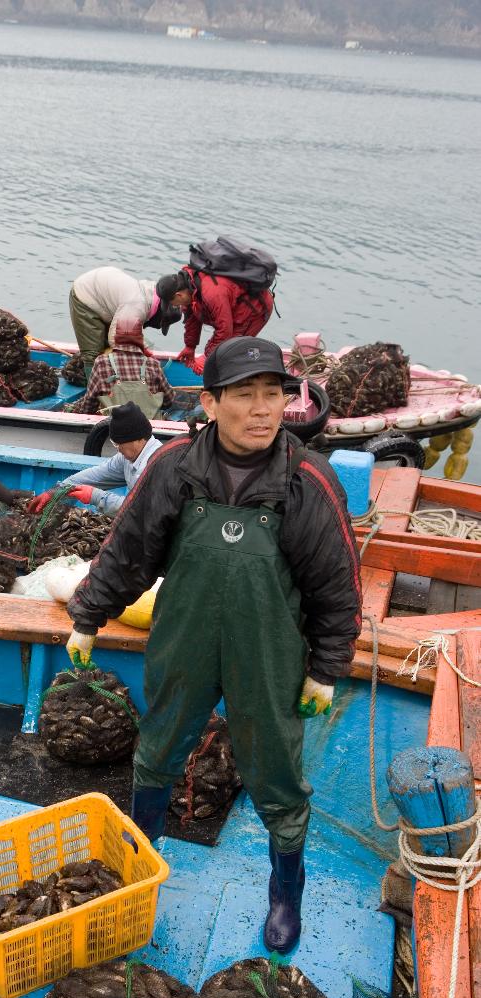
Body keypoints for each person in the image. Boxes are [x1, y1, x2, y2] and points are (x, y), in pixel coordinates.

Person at [65, 336, 362, 954]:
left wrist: (326, 669)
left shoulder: (306, 479)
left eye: (275, 395)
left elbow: (337, 588)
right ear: (211, 401)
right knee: (159, 750)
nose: (263, 410)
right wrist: (89, 616)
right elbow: (129, 553)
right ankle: (138, 873)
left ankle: (286, 893)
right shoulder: (175, 466)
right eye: (246, 395)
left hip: (271, 654)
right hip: (186, 640)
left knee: (277, 773)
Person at [29, 402, 163, 517]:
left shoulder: (158, 464)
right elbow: (92, 477)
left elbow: (140, 511)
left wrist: (95, 496)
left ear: (137, 439)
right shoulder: (127, 458)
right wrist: (55, 492)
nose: (118, 449)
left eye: (118, 444)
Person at [69, 267, 184, 381]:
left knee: (126, 344)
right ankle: (95, 392)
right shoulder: (137, 305)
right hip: (86, 295)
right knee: (93, 354)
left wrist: (142, 351)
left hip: (107, 298)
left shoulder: (156, 293)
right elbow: (116, 338)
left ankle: (108, 378)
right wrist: (141, 357)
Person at [169, 267, 274, 374]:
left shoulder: (212, 293)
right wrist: (190, 346)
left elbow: (224, 331)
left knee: (232, 349)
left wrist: (207, 357)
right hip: (231, 306)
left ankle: (264, 363)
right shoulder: (190, 286)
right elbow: (192, 317)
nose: (177, 306)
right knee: (222, 353)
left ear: (179, 295)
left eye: (174, 303)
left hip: (253, 309)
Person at [72, 326, 175, 418]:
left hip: (114, 428)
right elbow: (169, 400)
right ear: (140, 340)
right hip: (147, 429)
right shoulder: (153, 364)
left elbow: (89, 404)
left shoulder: (101, 362)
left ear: (116, 339)